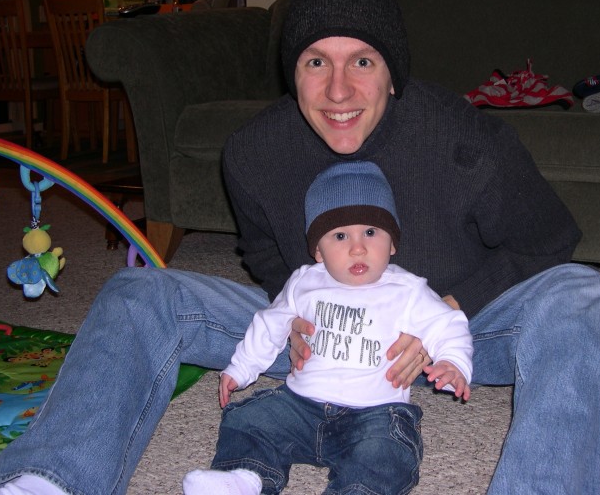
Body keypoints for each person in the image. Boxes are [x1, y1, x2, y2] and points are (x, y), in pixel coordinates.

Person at [0, 0, 600, 495]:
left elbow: (550, 240)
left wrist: (446, 316)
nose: (339, 91)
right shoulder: (253, 154)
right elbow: (264, 251)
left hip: (456, 330)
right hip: (326, 329)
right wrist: (294, 315)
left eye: (363, 63)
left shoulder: (463, 139)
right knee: (138, 293)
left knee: (583, 296)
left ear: (392, 72)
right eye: (317, 62)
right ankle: (48, 478)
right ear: (293, 71)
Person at [183, 161, 472, 494]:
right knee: (248, 420)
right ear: (318, 251)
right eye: (340, 236)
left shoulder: (408, 290)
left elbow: (446, 324)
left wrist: (453, 363)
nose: (358, 247)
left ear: (392, 244)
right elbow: (271, 321)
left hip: (375, 414)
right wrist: (242, 367)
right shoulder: (304, 281)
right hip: (299, 403)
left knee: (386, 453)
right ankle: (245, 476)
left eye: (371, 232)